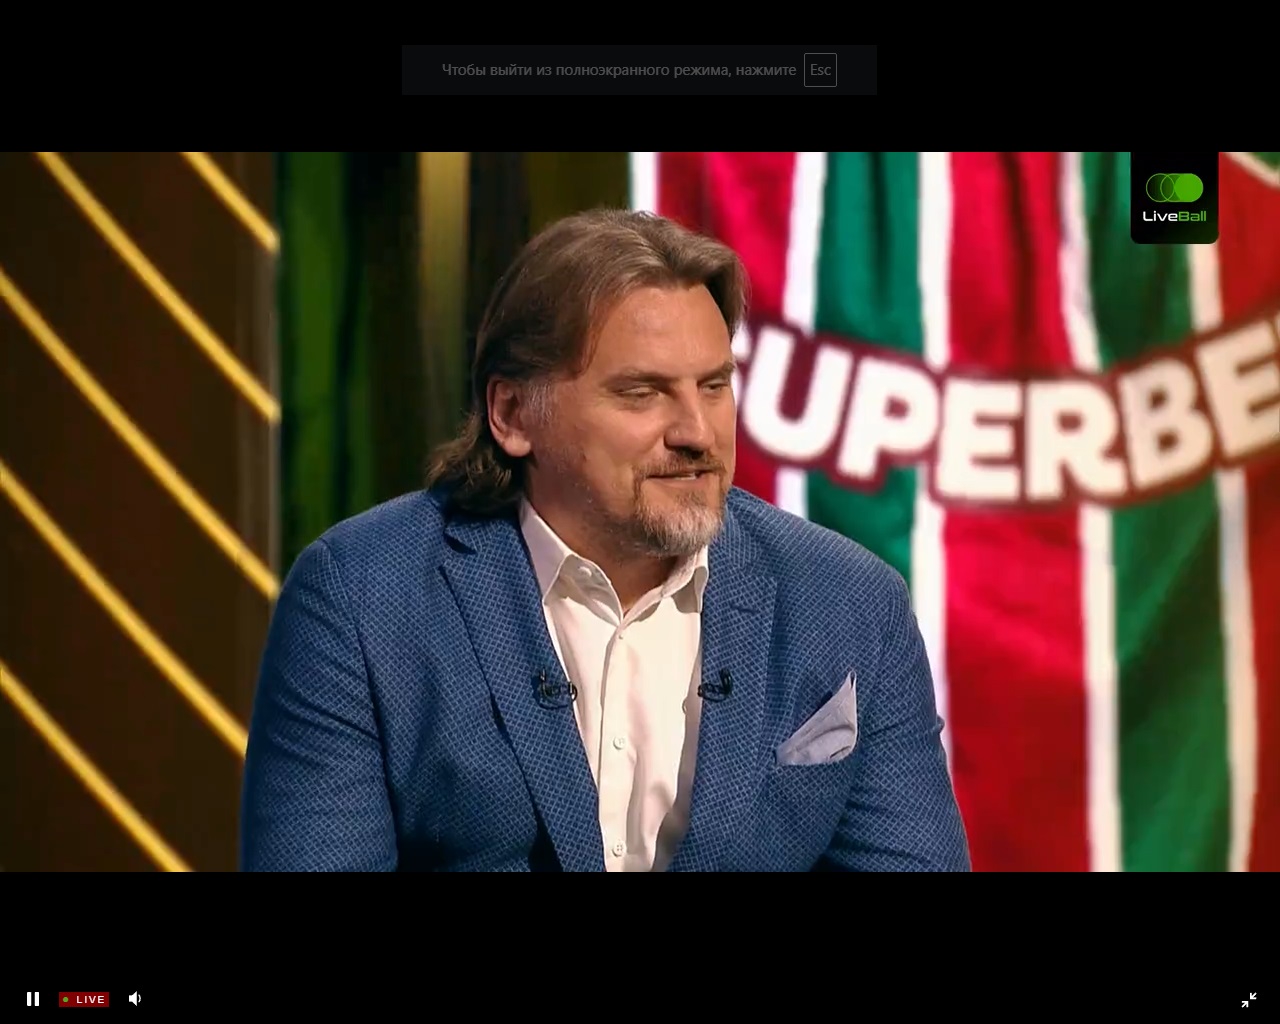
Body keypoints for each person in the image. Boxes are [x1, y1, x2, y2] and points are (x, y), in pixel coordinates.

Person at [239, 208, 971, 872]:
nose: (696, 433)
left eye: (714, 386)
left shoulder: (848, 604)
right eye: (642, 393)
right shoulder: (362, 597)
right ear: (513, 414)